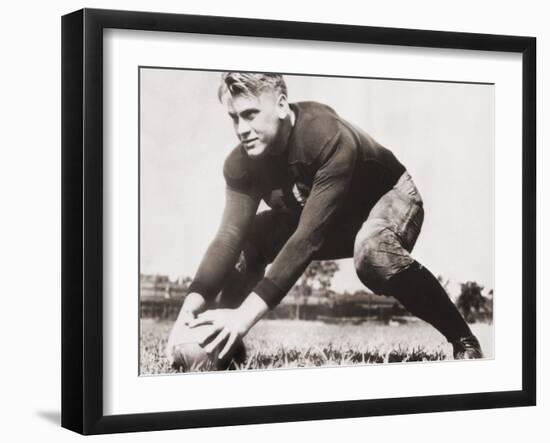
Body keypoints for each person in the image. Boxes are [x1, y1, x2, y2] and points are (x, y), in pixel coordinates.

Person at [166, 72, 483, 368]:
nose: (241, 129)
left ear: (280, 105)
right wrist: (187, 312)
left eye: (249, 114)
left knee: (373, 252)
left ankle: (464, 340)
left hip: (385, 198)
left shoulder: (324, 133)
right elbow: (228, 236)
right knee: (247, 243)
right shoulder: (240, 163)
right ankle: (226, 350)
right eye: (234, 117)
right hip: (323, 218)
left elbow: (307, 238)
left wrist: (243, 317)